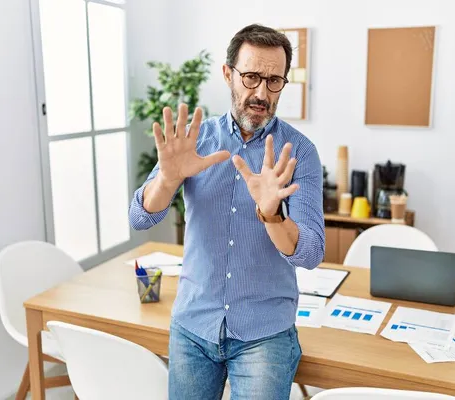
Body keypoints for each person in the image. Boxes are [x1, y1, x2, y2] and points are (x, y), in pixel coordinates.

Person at [129, 23, 325, 399]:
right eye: (251, 77)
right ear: (227, 74)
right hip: (193, 325)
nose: (261, 92)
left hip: (264, 334)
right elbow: (141, 218)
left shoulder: (298, 152)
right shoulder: (195, 140)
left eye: (274, 81)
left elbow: (311, 253)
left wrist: (272, 214)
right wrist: (167, 180)